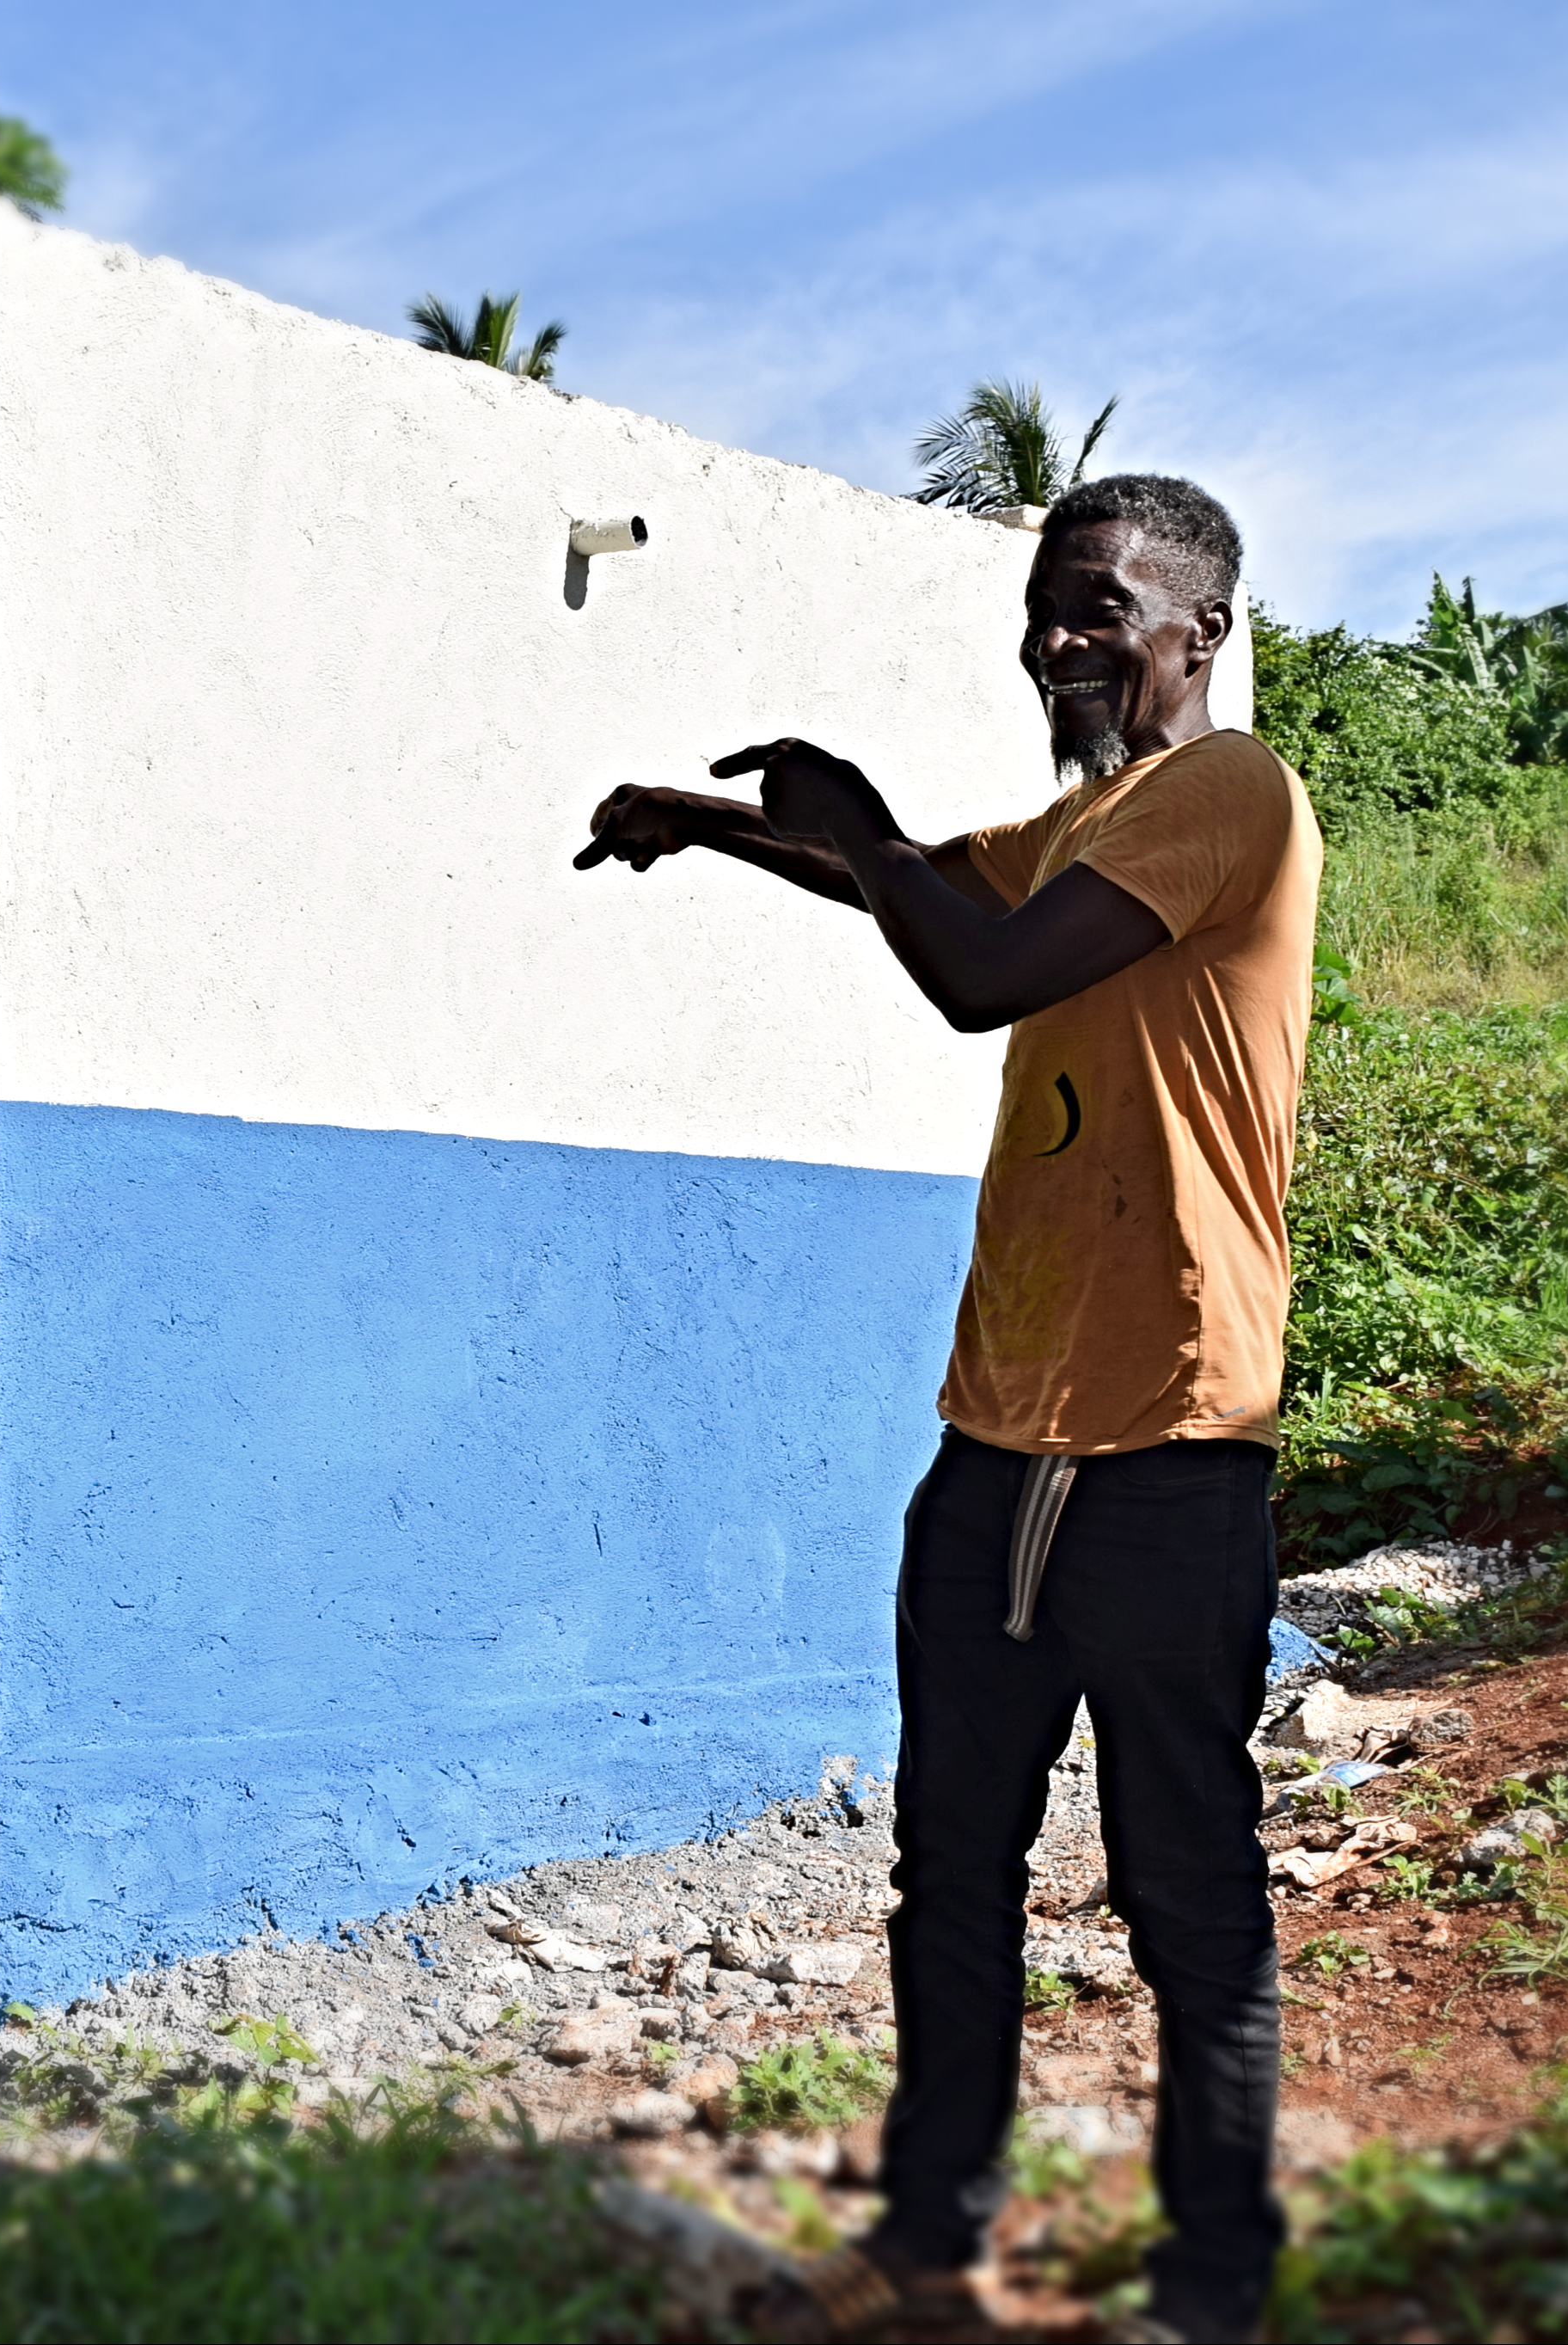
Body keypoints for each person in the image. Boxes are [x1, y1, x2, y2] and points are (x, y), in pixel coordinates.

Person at [573, 473, 1319, 2344]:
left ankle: (1213, 2290)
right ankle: (927, 2243)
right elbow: (908, 883)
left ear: (1197, 628)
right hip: (998, 1441)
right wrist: (719, 826)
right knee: (950, 1874)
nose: (1053, 636)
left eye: (1096, 603)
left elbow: (974, 971)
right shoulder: (1089, 829)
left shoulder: (1228, 798)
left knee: (1189, 1894)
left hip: (1164, 1446)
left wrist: (863, 829)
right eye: (1040, 605)